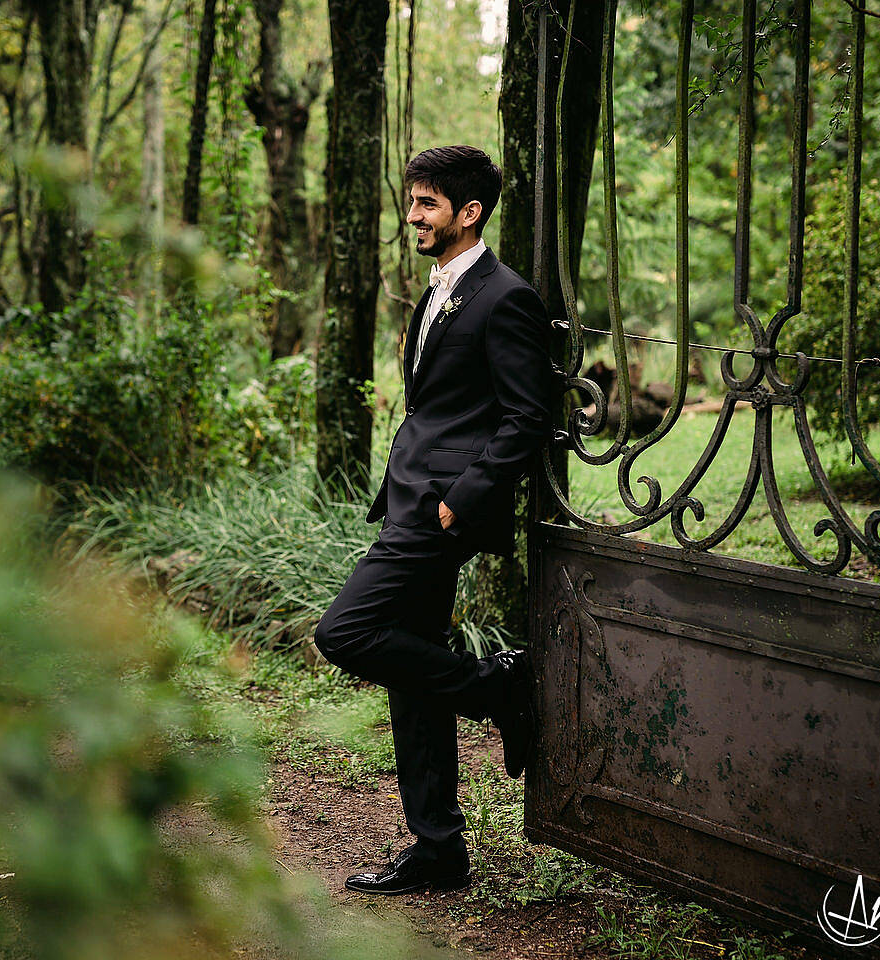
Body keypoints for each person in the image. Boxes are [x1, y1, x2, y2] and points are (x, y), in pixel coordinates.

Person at [313, 144, 554, 896]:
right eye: (412, 200)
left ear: (468, 212)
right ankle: (440, 851)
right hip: (411, 495)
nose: (412, 215)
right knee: (411, 675)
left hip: (439, 510)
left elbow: (526, 417)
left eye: (426, 203)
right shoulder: (442, 286)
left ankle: (497, 688)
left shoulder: (503, 295)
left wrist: (462, 497)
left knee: (343, 632)